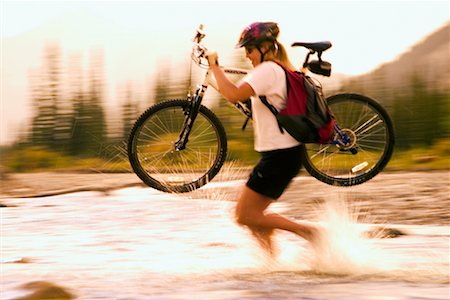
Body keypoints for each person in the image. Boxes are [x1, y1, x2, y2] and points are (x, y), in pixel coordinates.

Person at [207, 22, 321, 256]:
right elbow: (243, 98)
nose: (247, 55)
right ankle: (271, 267)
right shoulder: (274, 70)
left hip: (280, 157)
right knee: (254, 218)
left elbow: (234, 95)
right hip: (282, 156)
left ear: (266, 47)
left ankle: (308, 232)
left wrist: (215, 67)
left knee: (244, 215)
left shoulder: (267, 71)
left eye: (250, 49)